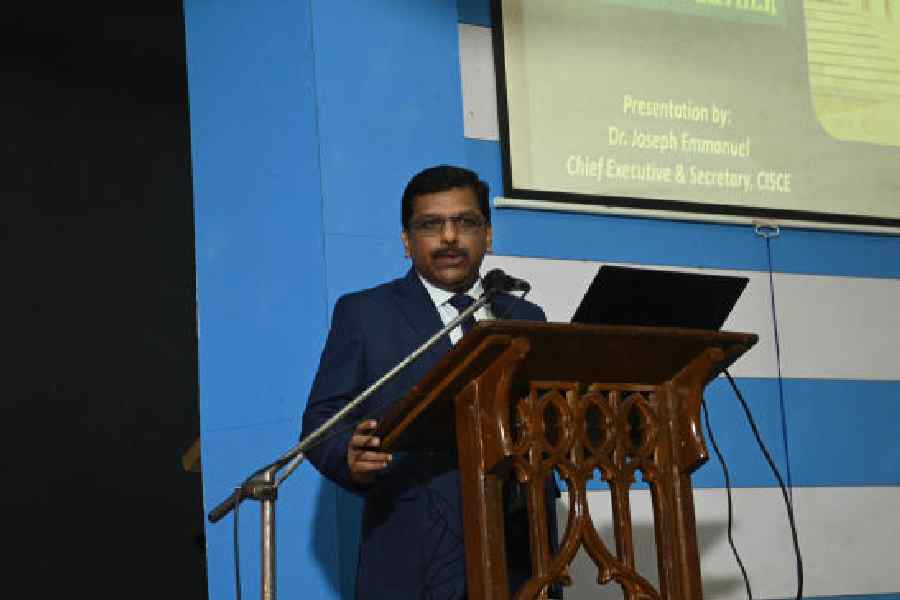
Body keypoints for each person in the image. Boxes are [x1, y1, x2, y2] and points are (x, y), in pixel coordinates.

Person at [301, 165, 559, 599]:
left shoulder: (525, 317)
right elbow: (322, 421)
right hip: (413, 551)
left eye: (465, 222)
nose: (450, 237)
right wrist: (346, 454)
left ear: (488, 235)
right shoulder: (366, 315)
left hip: (521, 552)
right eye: (430, 225)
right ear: (407, 241)